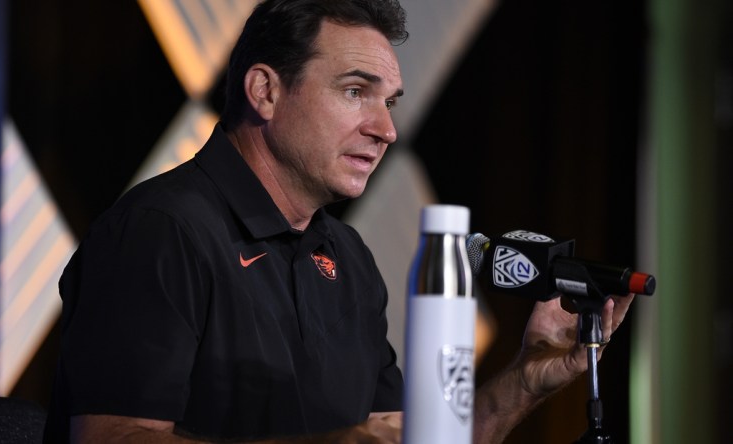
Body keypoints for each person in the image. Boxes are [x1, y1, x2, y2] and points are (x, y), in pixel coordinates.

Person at [44, 0, 636, 442]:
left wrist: (523, 382)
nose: (386, 129)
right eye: (357, 91)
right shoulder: (158, 231)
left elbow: (405, 438)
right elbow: (111, 438)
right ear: (265, 92)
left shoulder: (348, 258)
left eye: (390, 102)